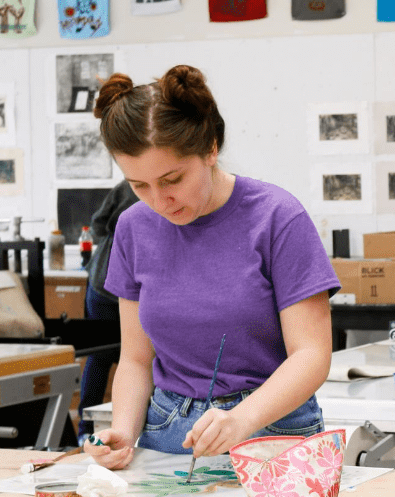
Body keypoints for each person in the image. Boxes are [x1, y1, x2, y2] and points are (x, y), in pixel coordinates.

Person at [82, 64, 339, 470]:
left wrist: (243, 419)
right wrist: (123, 433)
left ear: (211, 147)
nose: (158, 200)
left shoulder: (277, 218)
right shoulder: (133, 228)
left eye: (172, 179)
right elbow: (134, 358)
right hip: (168, 432)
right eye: (139, 185)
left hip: (272, 432)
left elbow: (311, 354)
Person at [75, 180, 139, 442]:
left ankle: (89, 431)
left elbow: (99, 223)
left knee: (115, 356)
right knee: (102, 355)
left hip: (110, 279)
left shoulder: (127, 187)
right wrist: (114, 248)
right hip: (105, 283)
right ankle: (85, 431)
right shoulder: (129, 187)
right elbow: (99, 224)